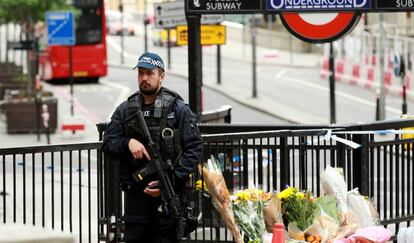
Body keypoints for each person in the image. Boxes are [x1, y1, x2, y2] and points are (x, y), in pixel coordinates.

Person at [102, 52, 203, 243]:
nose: (144, 78)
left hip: (169, 201)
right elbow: (108, 144)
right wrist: (127, 143)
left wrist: (171, 182)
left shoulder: (178, 109)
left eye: (150, 73)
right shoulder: (125, 109)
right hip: (136, 203)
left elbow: (194, 148)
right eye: (141, 73)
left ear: (161, 76)